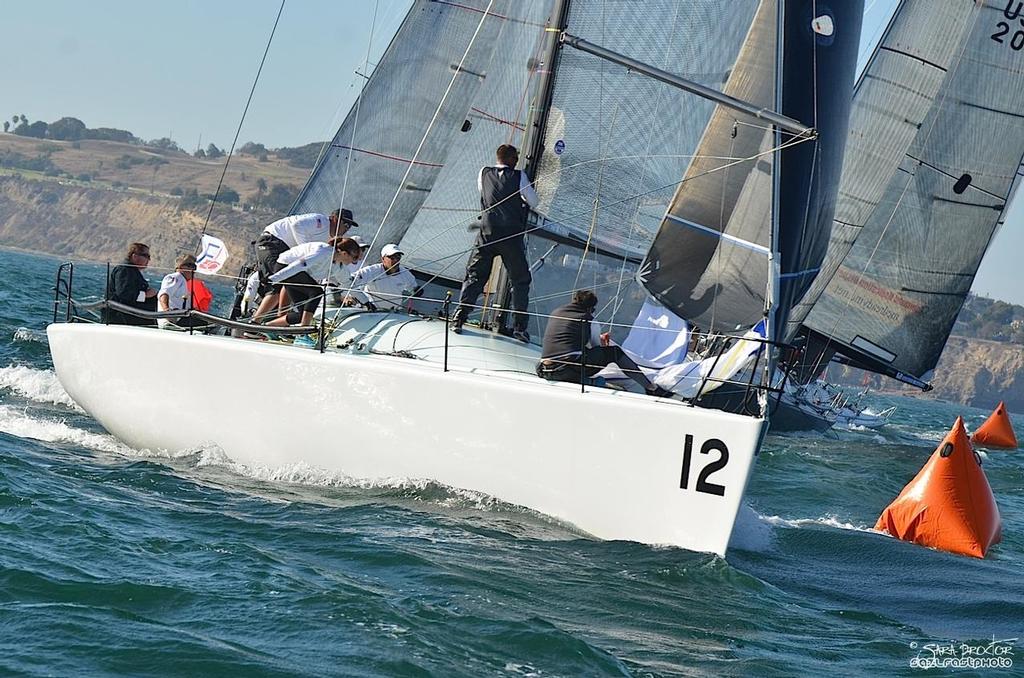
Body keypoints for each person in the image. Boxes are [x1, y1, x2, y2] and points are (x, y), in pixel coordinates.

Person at [451, 144, 538, 342]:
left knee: (475, 275)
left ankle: (459, 317)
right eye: (516, 157)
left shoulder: (484, 172)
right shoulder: (520, 176)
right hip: (510, 237)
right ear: (511, 159)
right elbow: (534, 202)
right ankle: (519, 328)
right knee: (520, 280)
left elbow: (484, 194)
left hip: (486, 234)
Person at [537, 290, 673, 397]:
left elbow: (565, 340)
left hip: (545, 369)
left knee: (581, 356)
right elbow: (597, 347)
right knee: (614, 352)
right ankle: (651, 388)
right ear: (590, 308)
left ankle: (587, 381)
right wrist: (602, 341)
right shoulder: (587, 319)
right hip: (568, 370)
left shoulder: (556, 312)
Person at [252, 208, 358, 321]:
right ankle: (254, 323)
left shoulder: (329, 241)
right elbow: (297, 225)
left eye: (349, 226)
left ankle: (278, 321)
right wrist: (305, 251)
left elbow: (345, 279)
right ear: (335, 219)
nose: (347, 229)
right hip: (272, 241)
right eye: (345, 224)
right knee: (277, 285)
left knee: (290, 281)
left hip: (285, 251)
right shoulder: (321, 221)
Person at [264, 236, 363, 329]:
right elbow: (299, 265)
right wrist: (273, 279)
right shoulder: (323, 251)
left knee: (302, 314)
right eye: (354, 258)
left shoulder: (339, 266)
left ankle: (267, 327)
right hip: (286, 266)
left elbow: (349, 285)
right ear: (344, 254)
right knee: (316, 292)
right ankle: (303, 333)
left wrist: (365, 302)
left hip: (297, 273)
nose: (355, 262)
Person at [344, 244, 418, 311]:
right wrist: (351, 297)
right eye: (392, 257)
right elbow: (351, 281)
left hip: (394, 312)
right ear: (383, 259)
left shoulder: (405, 273)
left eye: (398, 257)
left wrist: (416, 291)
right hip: (372, 311)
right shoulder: (372, 270)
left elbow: (413, 288)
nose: (396, 260)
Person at [105, 242, 158, 326]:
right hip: (122, 319)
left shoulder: (132, 270)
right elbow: (123, 293)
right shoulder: (124, 269)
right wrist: (145, 295)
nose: (149, 260)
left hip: (131, 319)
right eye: (146, 256)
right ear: (135, 256)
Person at [157, 254, 213, 329]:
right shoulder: (175, 277)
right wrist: (166, 312)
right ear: (181, 267)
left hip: (181, 320)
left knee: (209, 322)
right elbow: (164, 294)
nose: (194, 270)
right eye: (191, 266)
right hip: (173, 322)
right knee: (211, 324)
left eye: (194, 267)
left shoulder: (183, 283)